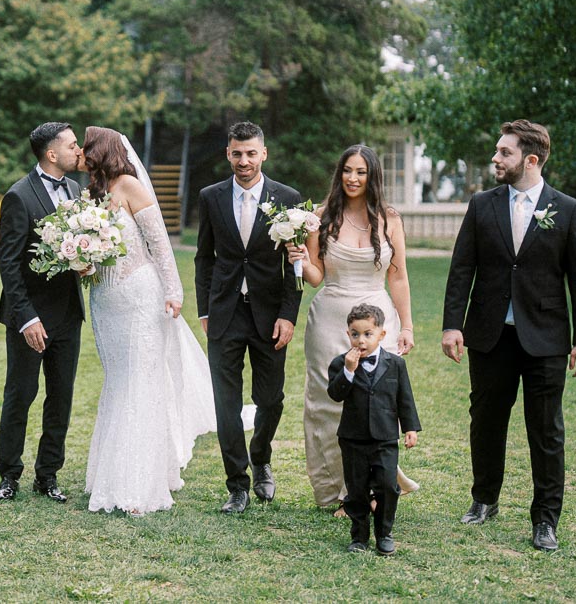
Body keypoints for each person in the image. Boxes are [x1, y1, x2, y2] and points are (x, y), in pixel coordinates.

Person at [443, 119, 576, 553]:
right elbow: (461, 269)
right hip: (490, 335)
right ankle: (484, 499)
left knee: (546, 431)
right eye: (497, 150)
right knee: (486, 420)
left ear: (530, 160)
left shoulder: (566, 210)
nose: (495, 158)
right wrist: (452, 324)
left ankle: (546, 520)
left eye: (504, 152)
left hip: (546, 338)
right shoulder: (481, 204)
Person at [80, 127, 216, 514]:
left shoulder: (131, 187)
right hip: (105, 299)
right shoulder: (90, 194)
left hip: (141, 295)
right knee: (119, 382)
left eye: (86, 148)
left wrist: (175, 291)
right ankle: (110, 474)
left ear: (101, 151)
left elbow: (159, 244)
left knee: (141, 383)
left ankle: (138, 485)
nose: (81, 154)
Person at [286, 145, 419, 514]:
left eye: (360, 172)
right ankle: (340, 492)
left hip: (379, 320)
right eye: (347, 170)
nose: (352, 178)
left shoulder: (390, 219)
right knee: (330, 403)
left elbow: (400, 276)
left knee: (376, 406)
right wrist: (299, 258)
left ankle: (374, 489)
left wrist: (405, 325)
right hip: (331, 318)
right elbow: (316, 276)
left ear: (372, 176)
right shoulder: (320, 217)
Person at [194, 121, 303, 513]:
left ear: (264, 154)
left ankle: (261, 457)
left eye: (251, 153)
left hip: (270, 315)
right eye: (237, 153)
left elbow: (296, 266)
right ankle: (237, 484)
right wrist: (204, 309)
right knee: (226, 402)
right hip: (224, 313)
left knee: (270, 399)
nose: (244, 161)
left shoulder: (288, 199)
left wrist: (289, 315)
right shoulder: (210, 197)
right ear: (228, 154)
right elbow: (204, 258)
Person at [0, 121, 86, 502]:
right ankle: (9, 475)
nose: (78, 150)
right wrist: (27, 318)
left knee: (60, 396)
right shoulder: (19, 196)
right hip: (29, 317)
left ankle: (48, 475)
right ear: (52, 154)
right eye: (72, 145)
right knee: (21, 393)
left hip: (68, 314)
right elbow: (9, 264)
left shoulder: (77, 191)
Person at [328, 303, 421, 555]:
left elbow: (405, 398)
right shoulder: (341, 363)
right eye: (355, 334)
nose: (361, 340)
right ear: (348, 334)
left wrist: (410, 428)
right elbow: (335, 395)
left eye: (368, 334)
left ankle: (384, 533)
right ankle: (359, 535)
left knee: (388, 486)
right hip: (353, 438)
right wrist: (348, 371)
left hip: (385, 438)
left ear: (381, 334)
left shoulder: (395, 365)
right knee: (356, 490)